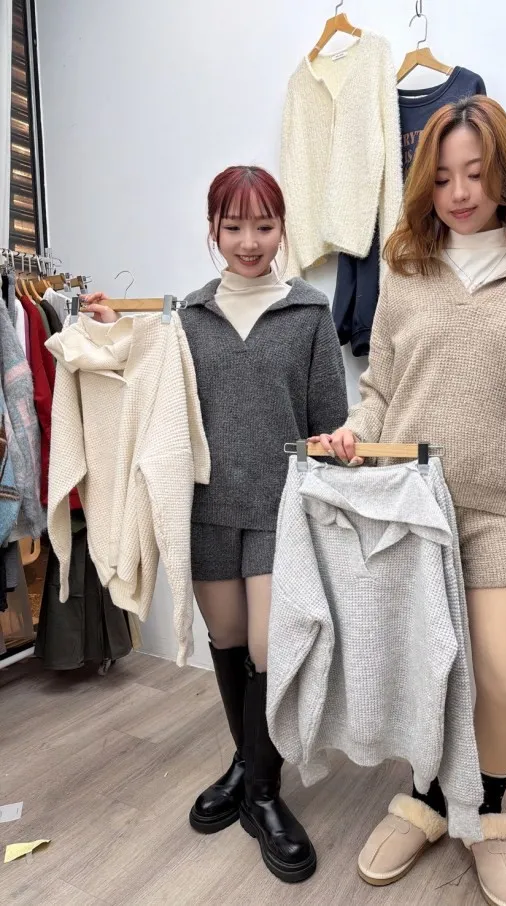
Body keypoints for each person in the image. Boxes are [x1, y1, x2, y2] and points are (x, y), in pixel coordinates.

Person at [315, 97, 506, 906]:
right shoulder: (404, 270)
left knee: (502, 679)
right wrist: (351, 434)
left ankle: (488, 816)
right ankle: (430, 801)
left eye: (476, 173)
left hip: (504, 508)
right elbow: (380, 389)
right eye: (442, 178)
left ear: (504, 174)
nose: (460, 193)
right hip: (411, 504)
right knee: (425, 673)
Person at [83, 165, 348, 884]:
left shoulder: (309, 312)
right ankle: (245, 760)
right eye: (233, 227)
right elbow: (141, 383)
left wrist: (339, 452)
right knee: (227, 641)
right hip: (204, 509)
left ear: (282, 228)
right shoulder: (186, 319)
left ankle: (262, 793)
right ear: (213, 230)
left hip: (280, 509)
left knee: (268, 644)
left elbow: (330, 420)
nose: (249, 241)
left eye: (264, 225)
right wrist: (110, 332)